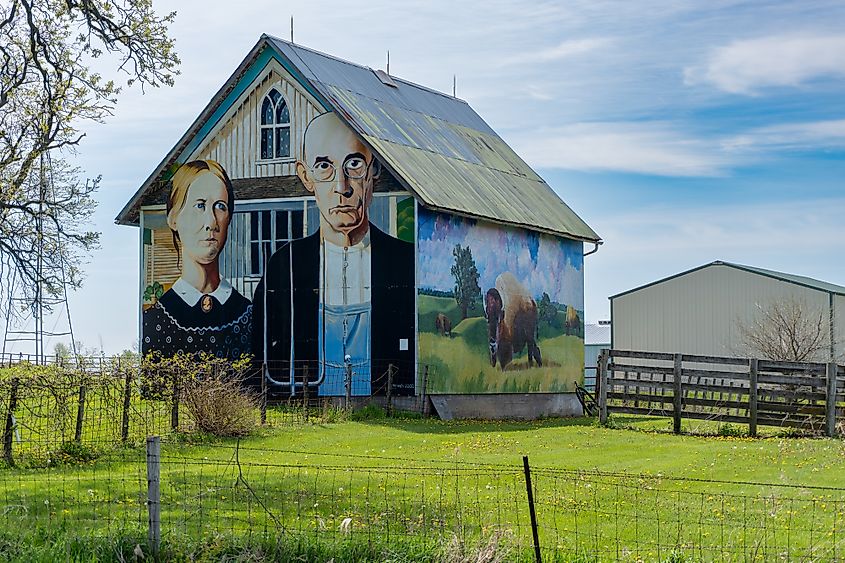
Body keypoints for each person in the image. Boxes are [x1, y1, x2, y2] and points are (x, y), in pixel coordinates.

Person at [252, 112, 414, 396]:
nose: (342, 187)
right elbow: (261, 347)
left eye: (354, 164)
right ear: (306, 176)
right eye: (324, 166)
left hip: (384, 409)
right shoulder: (285, 265)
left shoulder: (405, 263)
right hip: (303, 410)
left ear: (373, 171)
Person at [143, 160, 252, 360]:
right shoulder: (154, 321)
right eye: (199, 206)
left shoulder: (248, 316)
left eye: (220, 207)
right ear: (174, 217)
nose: (211, 222)